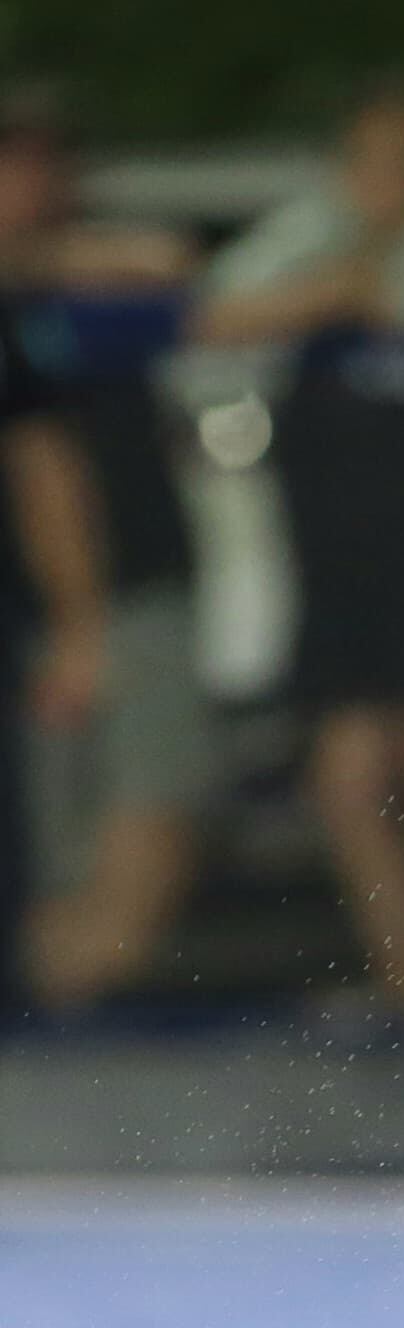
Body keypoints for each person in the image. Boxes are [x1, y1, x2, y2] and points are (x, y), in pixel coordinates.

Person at [197, 78, 404, 1031]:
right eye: (366, 161)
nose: (381, 182)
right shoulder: (307, 232)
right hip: (340, 547)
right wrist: (327, 285)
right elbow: (218, 312)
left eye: (402, 164)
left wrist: (332, 289)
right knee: (344, 771)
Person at [0, 94, 211, 1011]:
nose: (36, 181)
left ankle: (73, 1003)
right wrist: (79, 622)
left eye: (47, 160)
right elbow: (44, 473)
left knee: (145, 808)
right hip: (66, 602)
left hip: (127, 585)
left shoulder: (80, 274)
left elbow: (176, 270)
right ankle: (66, 1012)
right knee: (89, 828)